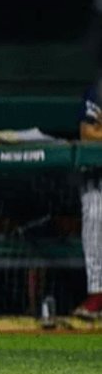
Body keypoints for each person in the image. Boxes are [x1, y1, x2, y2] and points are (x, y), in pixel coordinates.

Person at [74, 83, 102, 319]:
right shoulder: (98, 91)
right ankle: (97, 292)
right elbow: (88, 135)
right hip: (98, 176)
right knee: (95, 211)